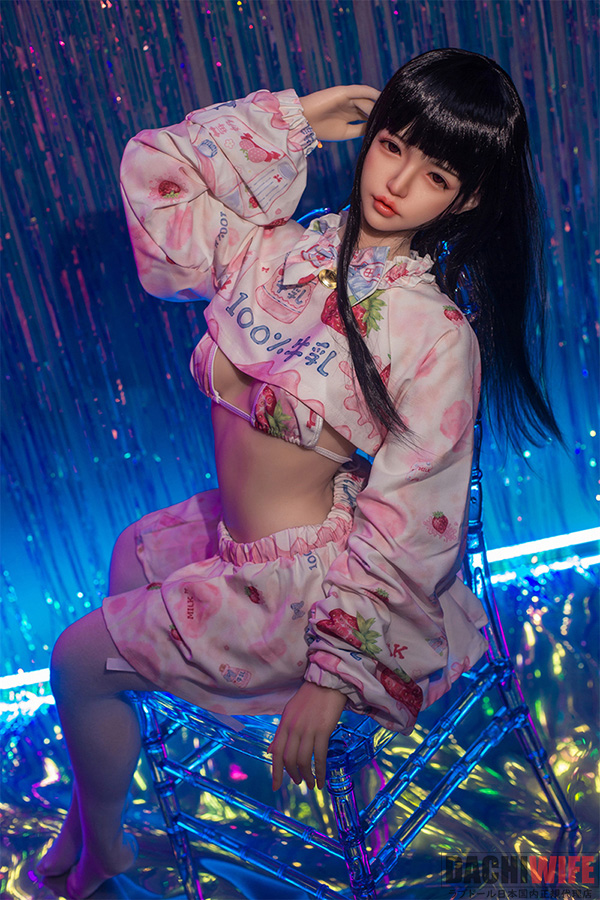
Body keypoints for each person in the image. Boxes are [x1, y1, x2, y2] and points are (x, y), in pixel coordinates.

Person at [37, 48, 560, 899]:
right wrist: (295, 121)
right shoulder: (279, 249)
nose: (397, 183)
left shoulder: (431, 331)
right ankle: (90, 815)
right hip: (238, 543)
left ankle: (107, 849)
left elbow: (414, 515)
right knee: (133, 548)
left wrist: (333, 672)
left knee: (73, 659)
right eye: (392, 146)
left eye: (435, 176)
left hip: (300, 591)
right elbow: (158, 175)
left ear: (463, 200)